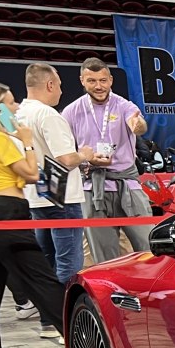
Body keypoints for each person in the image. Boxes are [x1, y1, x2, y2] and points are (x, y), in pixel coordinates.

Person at [0, 83, 67, 348]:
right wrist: (27, 141)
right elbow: (31, 174)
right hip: (7, 213)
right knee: (41, 278)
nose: (17, 107)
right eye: (11, 103)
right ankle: (76, 333)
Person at [62, 57, 152, 262]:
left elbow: (138, 123)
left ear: (111, 80)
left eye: (103, 80)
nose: (99, 86)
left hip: (127, 186)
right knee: (103, 257)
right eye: (92, 81)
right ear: (82, 81)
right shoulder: (71, 111)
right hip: (92, 188)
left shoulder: (124, 105)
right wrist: (86, 160)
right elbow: (65, 148)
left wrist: (138, 126)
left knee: (148, 247)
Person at [17, 62, 92, 298]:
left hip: (37, 195)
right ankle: (65, 319)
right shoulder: (47, 114)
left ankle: (48, 318)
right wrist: (85, 155)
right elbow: (66, 159)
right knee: (69, 262)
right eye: (59, 86)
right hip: (63, 197)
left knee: (47, 260)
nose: (61, 91)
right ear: (50, 84)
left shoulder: (18, 114)